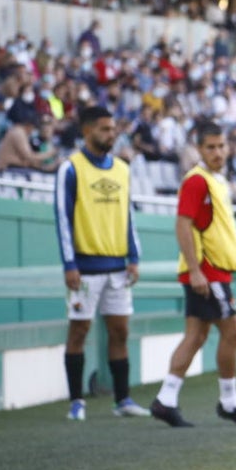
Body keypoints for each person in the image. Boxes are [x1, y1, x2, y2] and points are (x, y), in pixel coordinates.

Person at [150, 121, 236, 427]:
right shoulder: (196, 181)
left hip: (217, 271)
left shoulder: (218, 182)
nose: (217, 152)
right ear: (199, 149)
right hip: (207, 273)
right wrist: (196, 270)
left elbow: (222, 230)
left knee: (196, 335)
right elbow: (182, 224)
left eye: (221, 146)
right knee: (233, 331)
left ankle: (166, 400)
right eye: (210, 147)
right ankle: (229, 402)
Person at [54, 107, 148, 421]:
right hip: (84, 269)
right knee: (79, 330)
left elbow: (128, 216)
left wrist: (133, 257)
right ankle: (76, 402)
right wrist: (69, 264)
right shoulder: (70, 168)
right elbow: (63, 220)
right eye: (105, 129)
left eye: (113, 129)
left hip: (118, 268)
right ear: (87, 131)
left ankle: (122, 400)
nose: (112, 134)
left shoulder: (122, 169)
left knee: (120, 331)